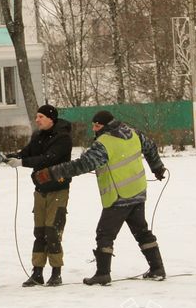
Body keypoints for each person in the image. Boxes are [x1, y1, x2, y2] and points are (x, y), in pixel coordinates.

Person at [35, 110, 167, 285]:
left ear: (106, 125)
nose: (94, 129)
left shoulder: (104, 143)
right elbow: (150, 147)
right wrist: (157, 167)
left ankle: (103, 273)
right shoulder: (134, 133)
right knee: (141, 231)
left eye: (97, 126)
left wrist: (52, 173)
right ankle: (157, 269)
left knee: (104, 234)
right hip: (138, 191)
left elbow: (82, 164)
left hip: (119, 195)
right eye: (93, 126)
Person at [5, 104, 73, 287]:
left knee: (53, 231)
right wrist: (12, 156)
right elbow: (28, 152)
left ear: (51, 118)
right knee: (40, 231)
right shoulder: (39, 136)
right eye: (36, 117)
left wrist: (22, 162)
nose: (37, 120)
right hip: (40, 189)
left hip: (58, 189)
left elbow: (48, 158)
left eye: (41, 117)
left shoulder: (63, 138)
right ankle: (37, 272)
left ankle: (56, 272)